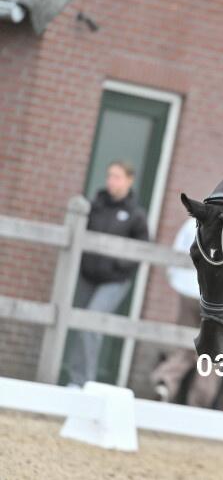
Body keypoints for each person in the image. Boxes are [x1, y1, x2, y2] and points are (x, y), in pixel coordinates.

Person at [62, 161, 149, 386]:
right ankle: (76, 379)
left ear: (129, 181)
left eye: (117, 177)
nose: (111, 181)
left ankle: (85, 382)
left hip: (114, 280)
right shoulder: (95, 206)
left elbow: (142, 247)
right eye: (110, 176)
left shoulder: (136, 215)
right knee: (80, 324)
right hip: (88, 276)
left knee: (92, 323)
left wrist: (118, 264)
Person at [150, 219, 221, 407]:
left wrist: (176, 279)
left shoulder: (193, 222)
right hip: (217, 297)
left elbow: (177, 251)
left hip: (187, 289)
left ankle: (165, 381)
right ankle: (200, 400)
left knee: (185, 344)